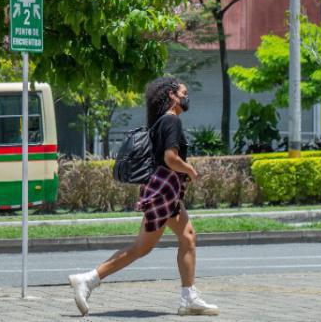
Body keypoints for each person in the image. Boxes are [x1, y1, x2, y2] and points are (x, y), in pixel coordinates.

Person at [68, 76, 219, 316]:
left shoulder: (161, 122)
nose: (186, 97)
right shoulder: (171, 122)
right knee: (141, 247)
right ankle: (88, 279)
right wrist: (189, 169)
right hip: (163, 190)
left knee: (188, 237)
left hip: (164, 189)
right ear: (172, 95)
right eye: (184, 92)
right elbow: (170, 158)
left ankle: (189, 297)